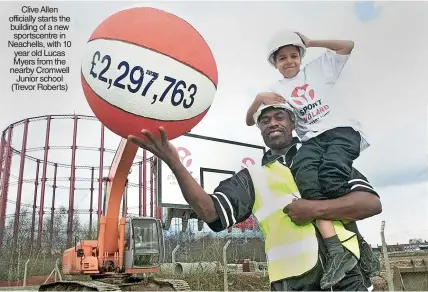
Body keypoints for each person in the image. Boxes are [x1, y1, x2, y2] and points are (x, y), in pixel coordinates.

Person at [128, 103, 382, 291]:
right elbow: (209, 211)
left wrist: (315, 210)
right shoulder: (251, 178)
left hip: (348, 274)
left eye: (279, 116)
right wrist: (175, 162)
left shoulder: (322, 156)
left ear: (292, 123)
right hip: (293, 283)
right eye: (265, 120)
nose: (272, 123)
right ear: (260, 129)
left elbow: (370, 203)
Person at [246, 31, 374, 289]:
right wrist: (259, 99)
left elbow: (347, 44)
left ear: (301, 57)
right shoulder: (276, 90)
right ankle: (336, 250)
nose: (289, 61)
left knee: (332, 180)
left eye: (294, 55)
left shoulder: (318, 71)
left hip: (340, 132)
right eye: (282, 58)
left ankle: (358, 244)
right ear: (275, 63)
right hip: (312, 141)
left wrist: (310, 42)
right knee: (306, 183)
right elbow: (250, 120)